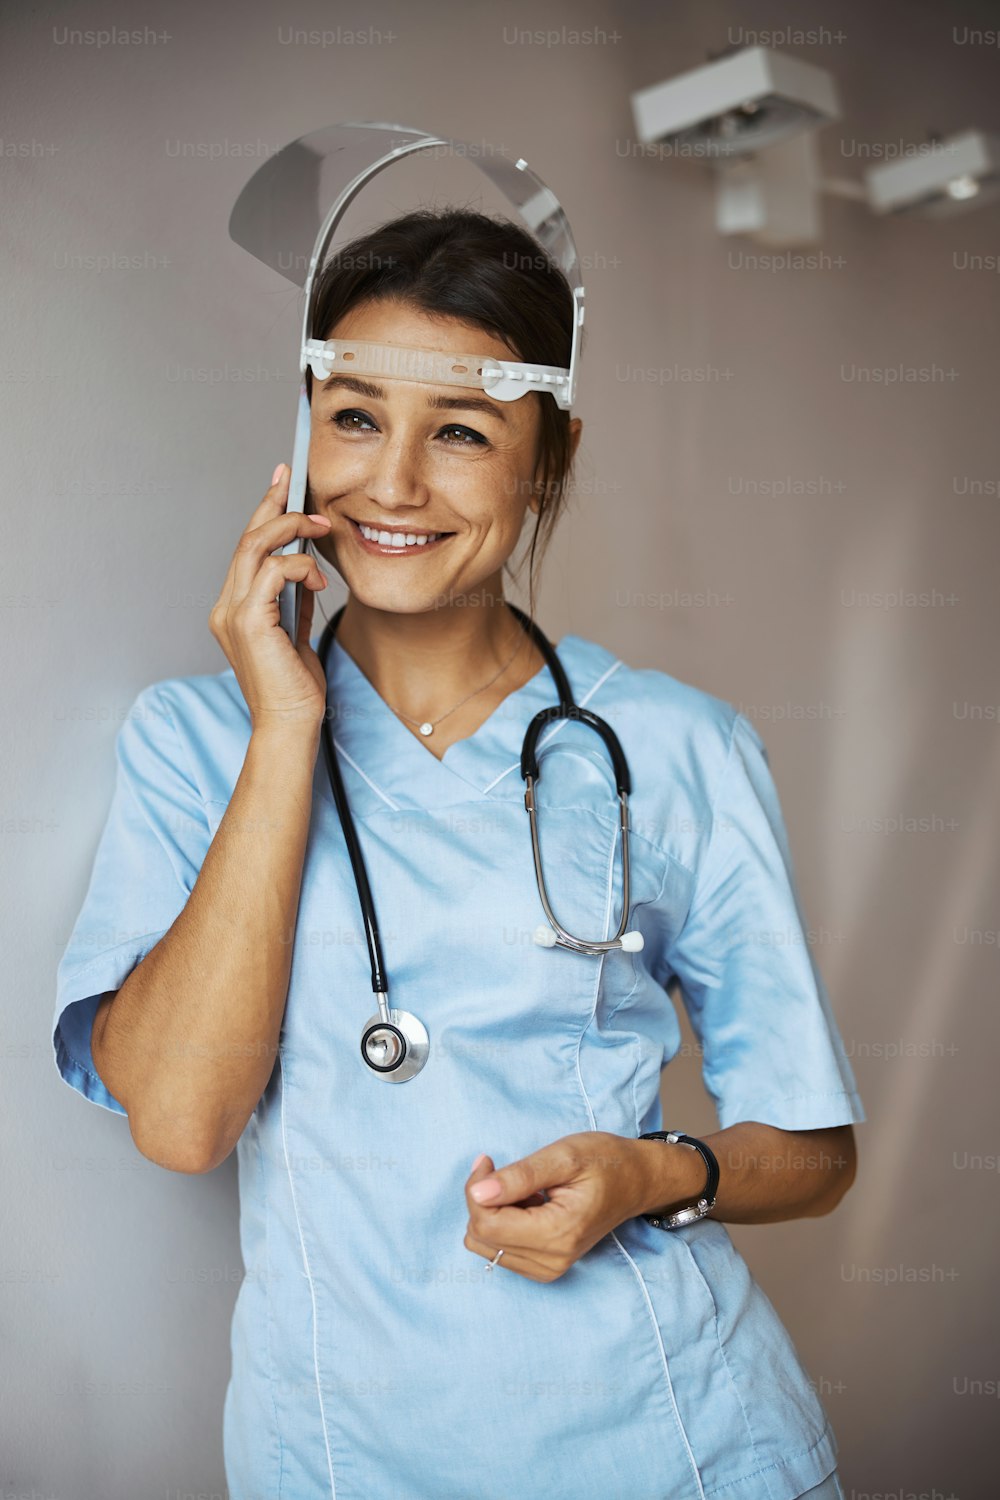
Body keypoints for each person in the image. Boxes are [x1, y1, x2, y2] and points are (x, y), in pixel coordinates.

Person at [53, 207, 864, 1500]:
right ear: (305, 429)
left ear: (551, 458)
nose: (395, 484)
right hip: (343, 1455)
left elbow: (815, 1152)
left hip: (675, 1443)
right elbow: (186, 1122)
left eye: (466, 432)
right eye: (357, 416)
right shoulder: (196, 741)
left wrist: (652, 1176)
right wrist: (285, 731)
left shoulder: (677, 745)